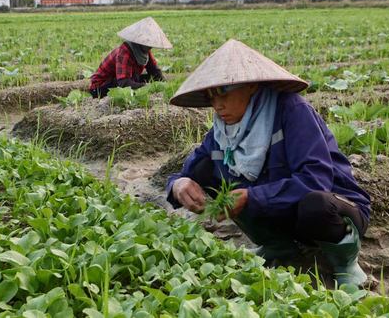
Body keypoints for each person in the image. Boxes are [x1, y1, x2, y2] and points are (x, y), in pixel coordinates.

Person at [166, 39, 372, 286]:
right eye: (211, 97)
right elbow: (186, 172)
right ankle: (278, 246)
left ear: (251, 86)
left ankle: (345, 262)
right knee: (204, 169)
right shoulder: (221, 131)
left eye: (224, 93)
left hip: (334, 212)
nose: (217, 105)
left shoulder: (292, 111)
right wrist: (179, 185)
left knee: (315, 204)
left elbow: (316, 180)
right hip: (286, 216)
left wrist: (252, 198)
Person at [89, 17, 172, 98]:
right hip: (99, 87)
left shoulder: (144, 51)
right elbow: (124, 83)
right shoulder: (124, 52)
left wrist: (164, 85)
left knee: (148, 78)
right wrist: (147, 86)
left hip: (120, 80)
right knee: (135, 78)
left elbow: (154, 70)